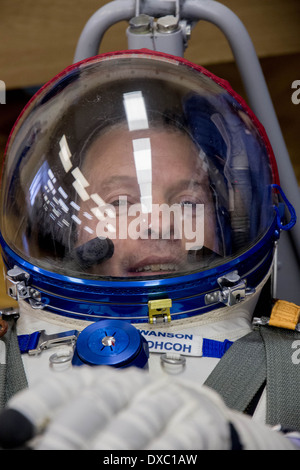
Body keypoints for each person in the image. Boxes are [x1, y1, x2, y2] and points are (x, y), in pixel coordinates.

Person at [0, 50, 299, 450]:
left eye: (188, 202)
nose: (157, 223)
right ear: (68, 230)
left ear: (226, 225)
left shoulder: (289, 373)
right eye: (121, 203)